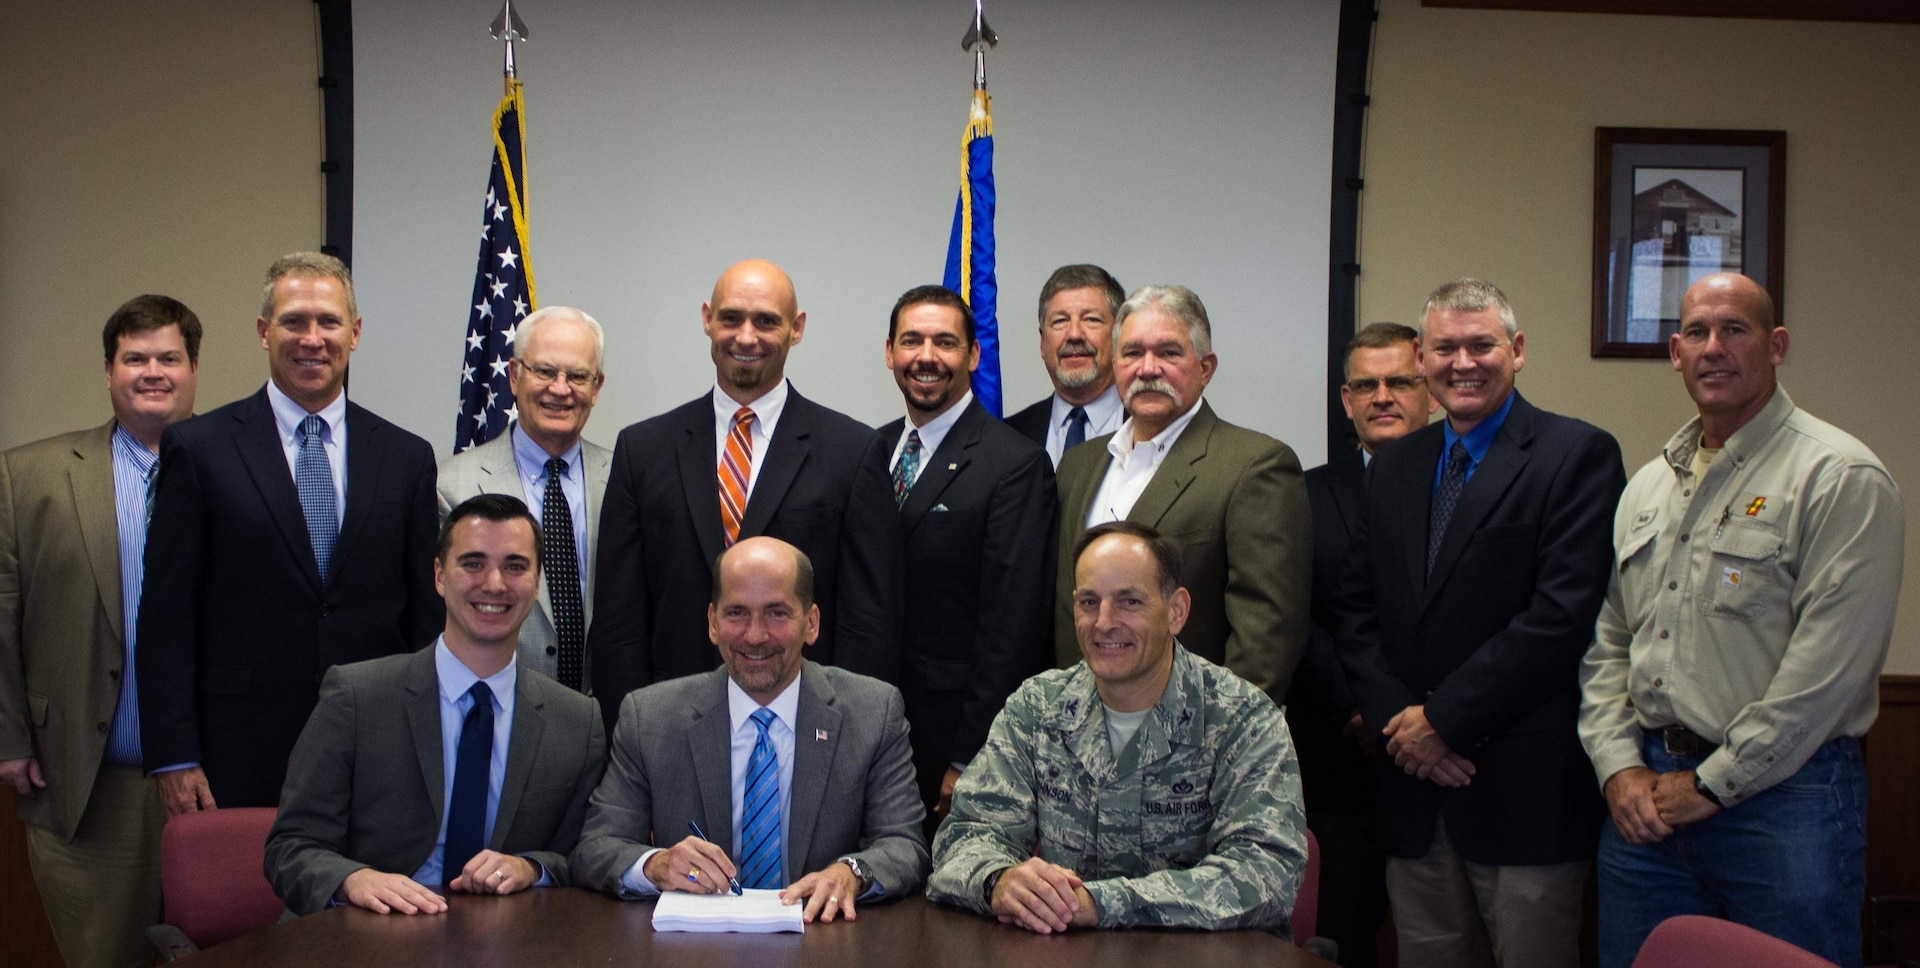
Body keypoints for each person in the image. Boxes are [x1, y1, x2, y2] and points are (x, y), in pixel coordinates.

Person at [1579, 272, 1902, 968]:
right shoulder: (1649, 486)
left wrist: (1713, 782)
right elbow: (1608, 644)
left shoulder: (1839, 476)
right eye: (1696, 332)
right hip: (1646, 810)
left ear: (1776, 344)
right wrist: (1617, 769)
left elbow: (1827, 675)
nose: (1713, 348)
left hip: (1787, 806)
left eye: (1736, 329)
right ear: (1674, 352)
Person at [1335, 278, 1625, 968]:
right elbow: (1355, 610)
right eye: (1444, 348)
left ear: (1517, 350)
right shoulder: (1395, 466)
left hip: (1522, 793)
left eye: (1481, 344)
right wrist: (1402, 726)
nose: (1463, 362)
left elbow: (1560, 618)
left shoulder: (1576, 455)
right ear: (1421, 359)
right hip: (1413, 793)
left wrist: (1444, 722)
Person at [138, 252, 443, 811]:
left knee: (368, 899)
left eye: (328, 322)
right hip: (236, 750)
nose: (312, 338)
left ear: (354, 333)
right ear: (263, 332)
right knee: (237, 900)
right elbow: (166, 616)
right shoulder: (200, 449)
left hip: (375, 748)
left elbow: (424, 617)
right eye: (293, 321)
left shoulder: (405, 457)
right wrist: (175, 755)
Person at [927, 521, 1306, 935]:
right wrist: (999, 880)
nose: (1104, 622)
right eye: (1089, 602)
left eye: (1129, 602)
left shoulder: (1242, 718)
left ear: (1176, 611)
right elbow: (966, 832)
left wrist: (1101, 902)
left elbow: (1267, 871)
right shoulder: (1038, 708)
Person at [589, 259, 902, 730]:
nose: (746, 336)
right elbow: (618, 618)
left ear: (796, 328)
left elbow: (868, 621)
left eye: (767, 321)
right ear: (707, 319)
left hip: (808, 725)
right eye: (731, 317)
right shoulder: (643, 449)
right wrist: (628, 732)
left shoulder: (852, 452)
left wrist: (851, 736)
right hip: (667, 723)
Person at [265, 494, 606, 916]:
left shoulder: (577, 721)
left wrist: (530, 866)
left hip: (507, 943)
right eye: (473, 563)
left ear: (538, 583)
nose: (495, 584)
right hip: (364, 933)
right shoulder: (356, 696)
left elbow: (584, 856)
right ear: (440, 576)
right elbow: (290, 846)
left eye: (515, 566)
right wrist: (351, 879)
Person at [570, 537, 927, 924]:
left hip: (825, 944)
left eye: (776, 613)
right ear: (711, 622)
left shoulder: (873, 712)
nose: (755, 635)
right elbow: (596, 848)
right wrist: (656, 865)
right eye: (736, 613)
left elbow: (904, 845)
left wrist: (852, 873)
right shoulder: (650, 717)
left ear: (811, 623)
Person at [0, 295, 200, 968]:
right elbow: (2, 618)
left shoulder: (236, 469)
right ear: (108, 370)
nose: (152, 372)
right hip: (86, 783)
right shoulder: (28, 477)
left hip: (210, 782)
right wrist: (9, 736)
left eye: (168, 357)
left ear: (193, 368)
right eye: (134, 358)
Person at [1053, 284, 1310, 703]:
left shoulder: (1256, 465)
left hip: (1191, 739)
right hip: (1076, 729)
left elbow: (1267, 635)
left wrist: (1216, 738)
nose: (1148, 368)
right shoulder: (1078, 465)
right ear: (1115, 364)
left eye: (1169, 353)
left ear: (1206, 367)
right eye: (1133, 353)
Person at [877, 285, 1056, 822]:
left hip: (951, 744)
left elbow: (1012, 627)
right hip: (871, 731)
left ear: (973, 356)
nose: (926, 357)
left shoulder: (1015, 465)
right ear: (890, 353)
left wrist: (971, 756)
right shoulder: (870, 448)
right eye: (911, 341)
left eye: (945, 343)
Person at [1285, 321, 1434, 968]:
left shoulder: (1466, 488)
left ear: (1427, 389)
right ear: (1345, 401)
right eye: (1366, 385)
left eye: (1399, 381)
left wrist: (1429, 716)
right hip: (1338, 758)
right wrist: (1368, 708)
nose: (1383, 397)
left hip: (1448, 752)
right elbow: (1293, 612)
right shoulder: (1301, 493)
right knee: (1340, 935)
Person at [438, 306, 611, 692]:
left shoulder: (625, 479)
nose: (560, 389)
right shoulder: (450, 485)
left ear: (596, 387)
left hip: (605, 717)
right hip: (497, 715)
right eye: (545, 372)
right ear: (515, 376)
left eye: (578, 376)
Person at [1002, 265, 1127, 467]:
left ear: (1119, 336)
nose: (1074, 334)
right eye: (1060, 321)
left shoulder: (1153, 427)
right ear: (1043, 343)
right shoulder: (1009, 436)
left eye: (1091, 319)